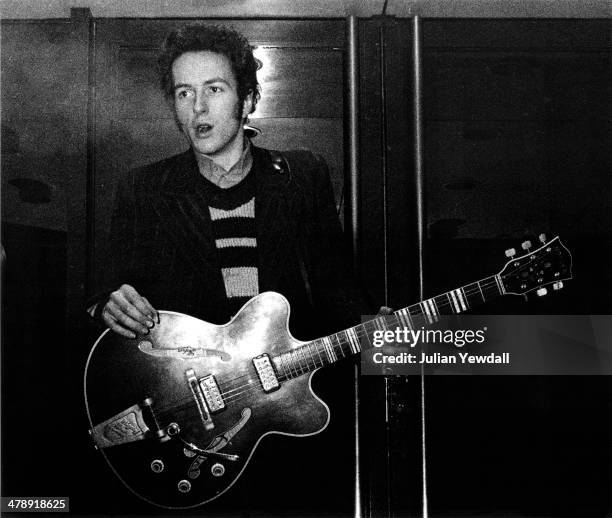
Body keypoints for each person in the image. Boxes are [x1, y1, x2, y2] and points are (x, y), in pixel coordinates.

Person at [87, 23, 374, 517]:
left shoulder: (303, 177)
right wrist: (110, 304)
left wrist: (370, 322)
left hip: (280, 421)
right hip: (185, 432)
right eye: (184, 92)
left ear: (247, 101)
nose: (197, 108)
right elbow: (102, 294)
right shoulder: (142, 190)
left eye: (214, 90)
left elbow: (336, 288)